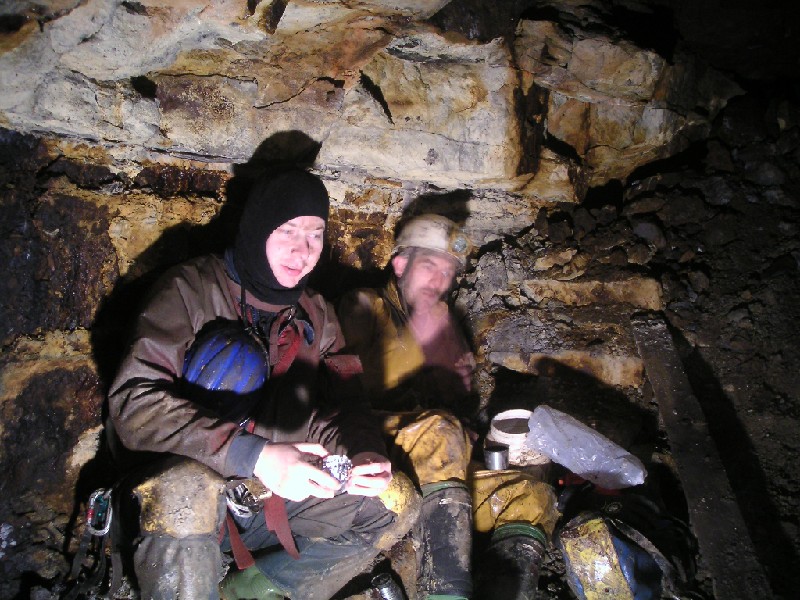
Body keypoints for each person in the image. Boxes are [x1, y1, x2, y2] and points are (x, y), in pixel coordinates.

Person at [107, 169, 419, 600]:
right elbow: (133, 404)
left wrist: (362, 450)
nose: (303, 249)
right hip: (187, 502)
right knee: (185, 490)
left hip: (267, 497)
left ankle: (252, 591)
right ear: (257, 229)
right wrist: (255, 457)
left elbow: (346, 406)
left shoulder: (318, 314)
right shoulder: (189, 289)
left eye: (315, 234)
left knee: (393, 501)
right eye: (287, 230)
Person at [337, 214, 560, 600]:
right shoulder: (363, 306)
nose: (440, 280)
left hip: (438, 466)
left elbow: (458, 405)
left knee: (529, 495)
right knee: (441, 432)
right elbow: (339, 392)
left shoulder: (442, 319)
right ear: (401, 264)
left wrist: (455, 380)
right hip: (371, 450)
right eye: (430, 266)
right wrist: (417, 347)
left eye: (448, 271)